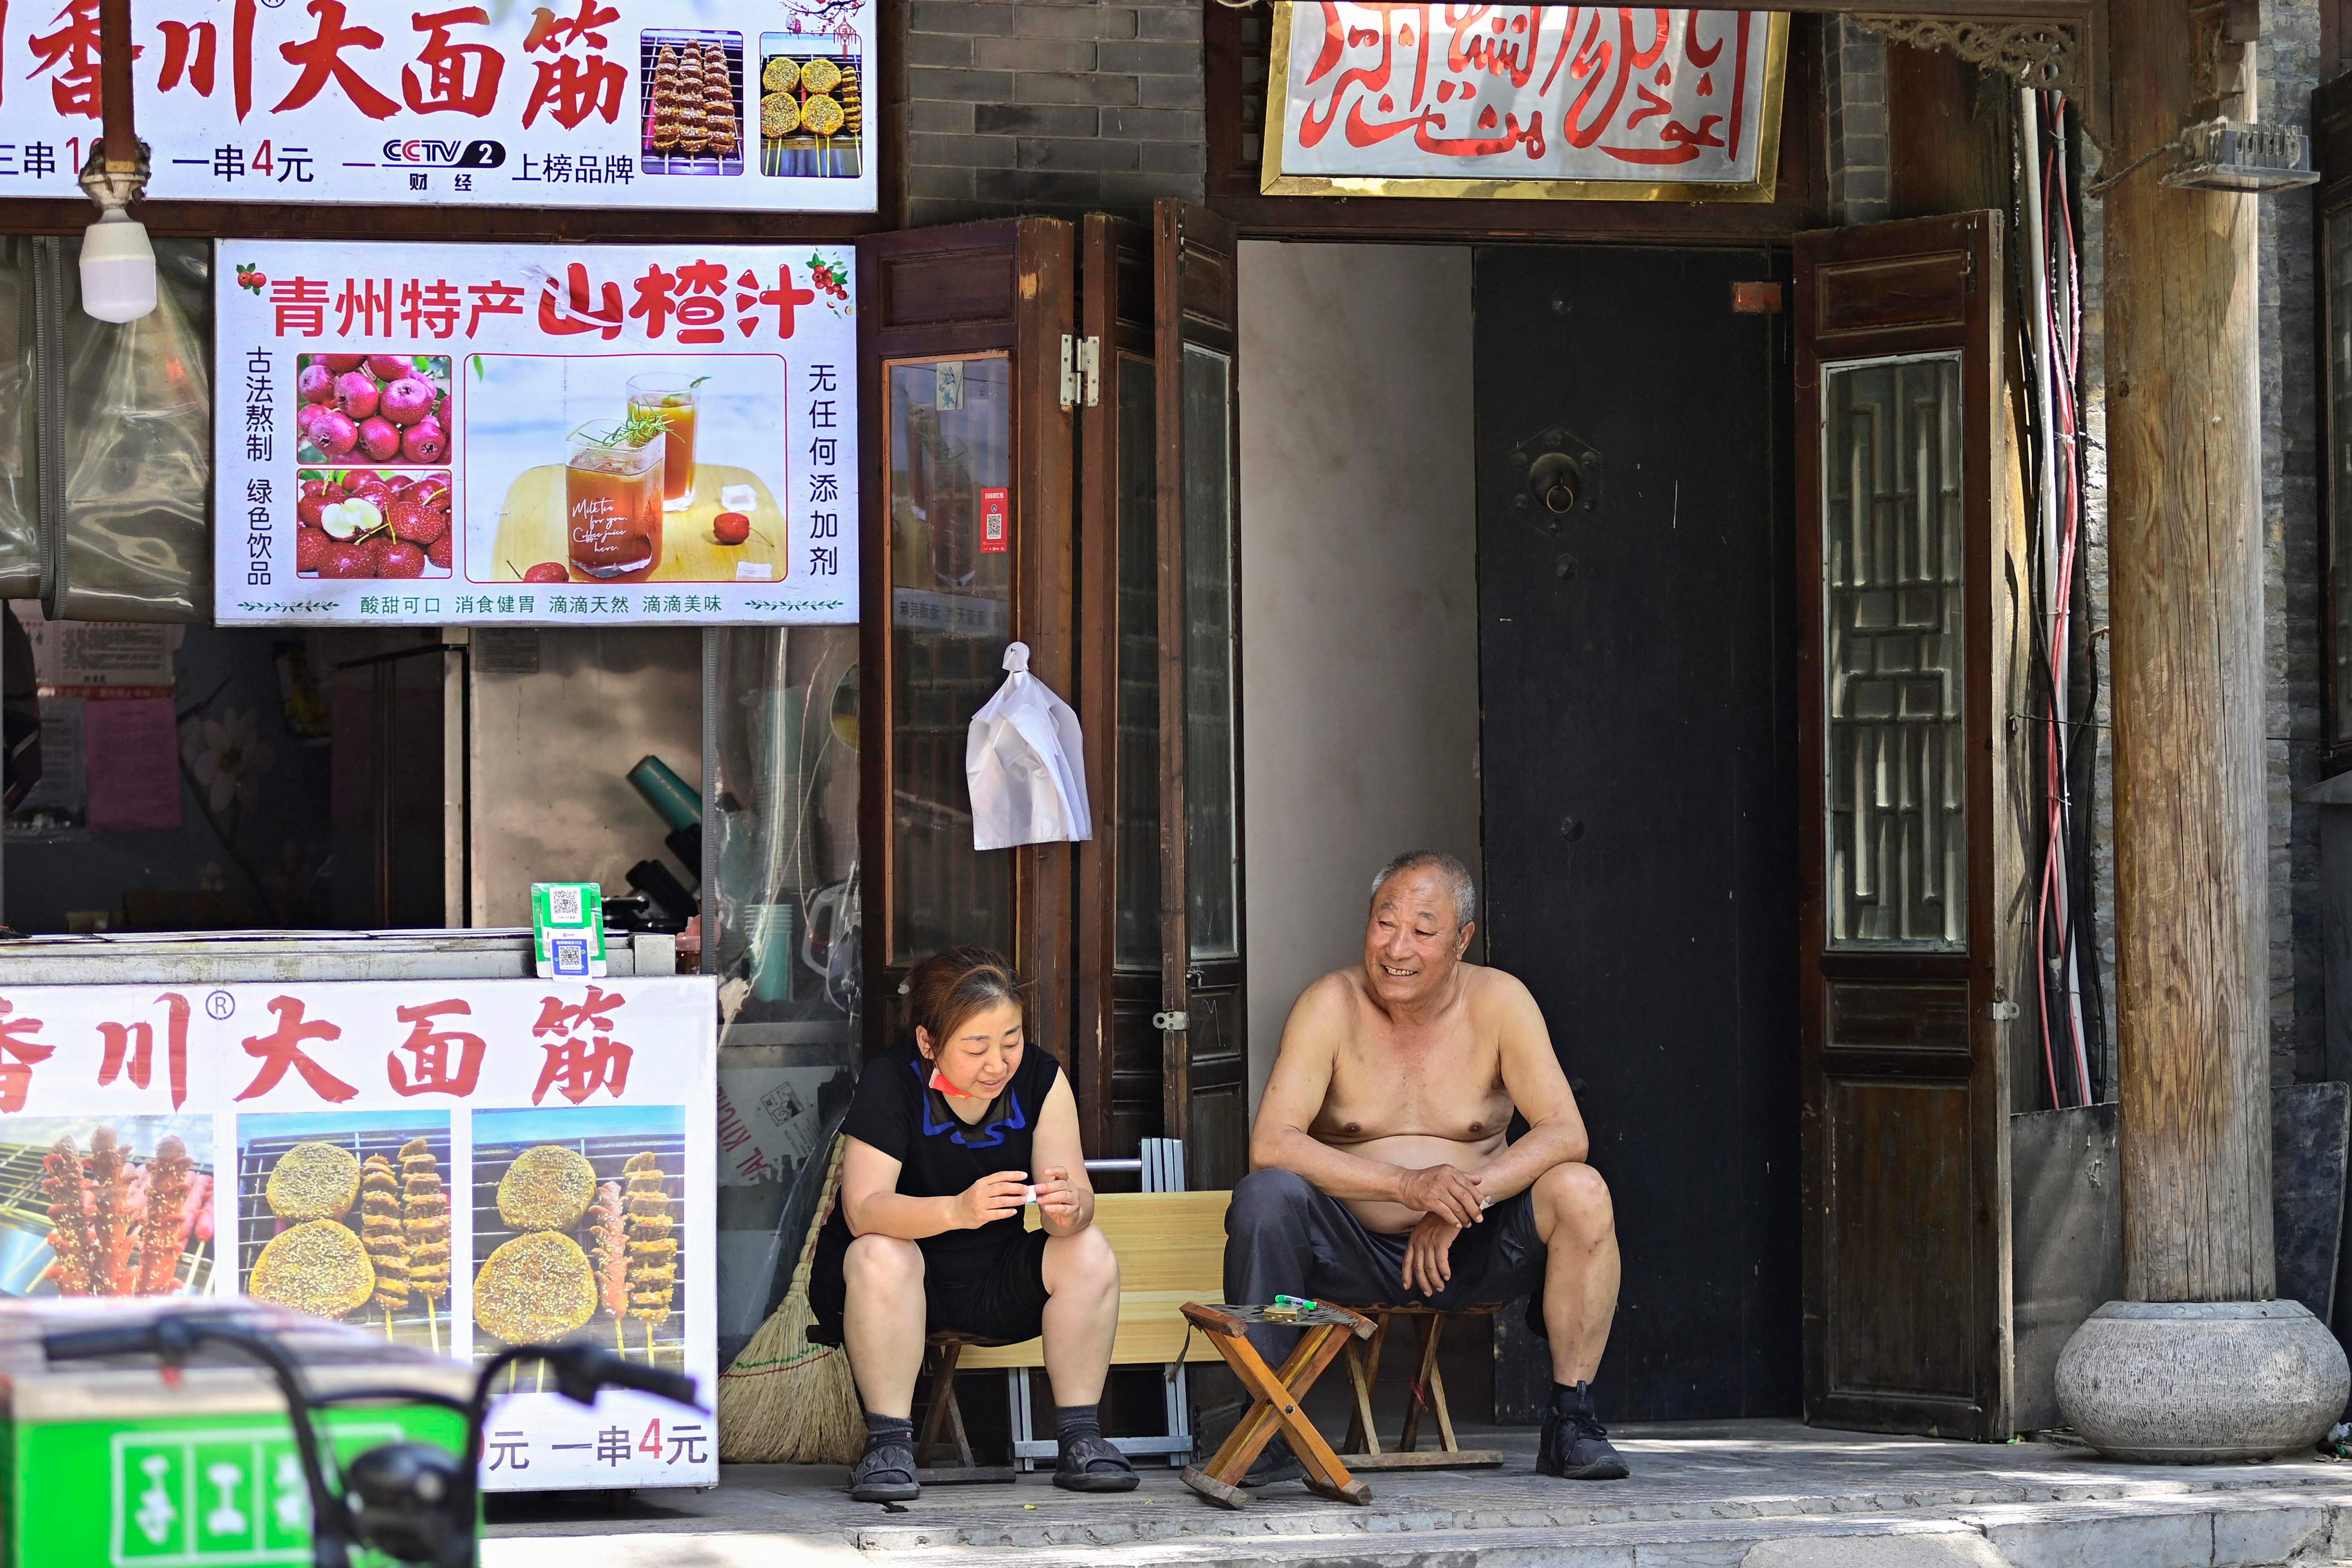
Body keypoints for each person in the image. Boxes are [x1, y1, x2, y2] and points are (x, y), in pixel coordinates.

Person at [1229, 851, 1627, 1481]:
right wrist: (1408, 1185)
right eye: (1385, 923)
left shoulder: (1500, 1002)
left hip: (1468, 1250)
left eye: (1423, 929)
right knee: (1264, 1196)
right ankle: (1272, 1420)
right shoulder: (1329, 1003)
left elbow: (1564, 1131)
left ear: (1463, 939)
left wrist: (1468, 1199)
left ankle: (1571, 1419)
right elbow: (1272, 1144)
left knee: (1581, 1189)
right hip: (1351, 1250)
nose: (1398, 947)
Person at [807, 947, 1136, 1502]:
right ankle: (888, 1443)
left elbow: (1078, 1197)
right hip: (895, 1284)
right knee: (880, 1252)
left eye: (1011, 1040)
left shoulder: (1039, 1078)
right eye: (976, 1046)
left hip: (995, 1278)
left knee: (1087, 1248)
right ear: (928, 1043)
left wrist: (1068, 1209)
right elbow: (862, 1208)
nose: (998, 1062)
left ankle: (1081, 1437)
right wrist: (955, 1210)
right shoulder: (891, 1081)